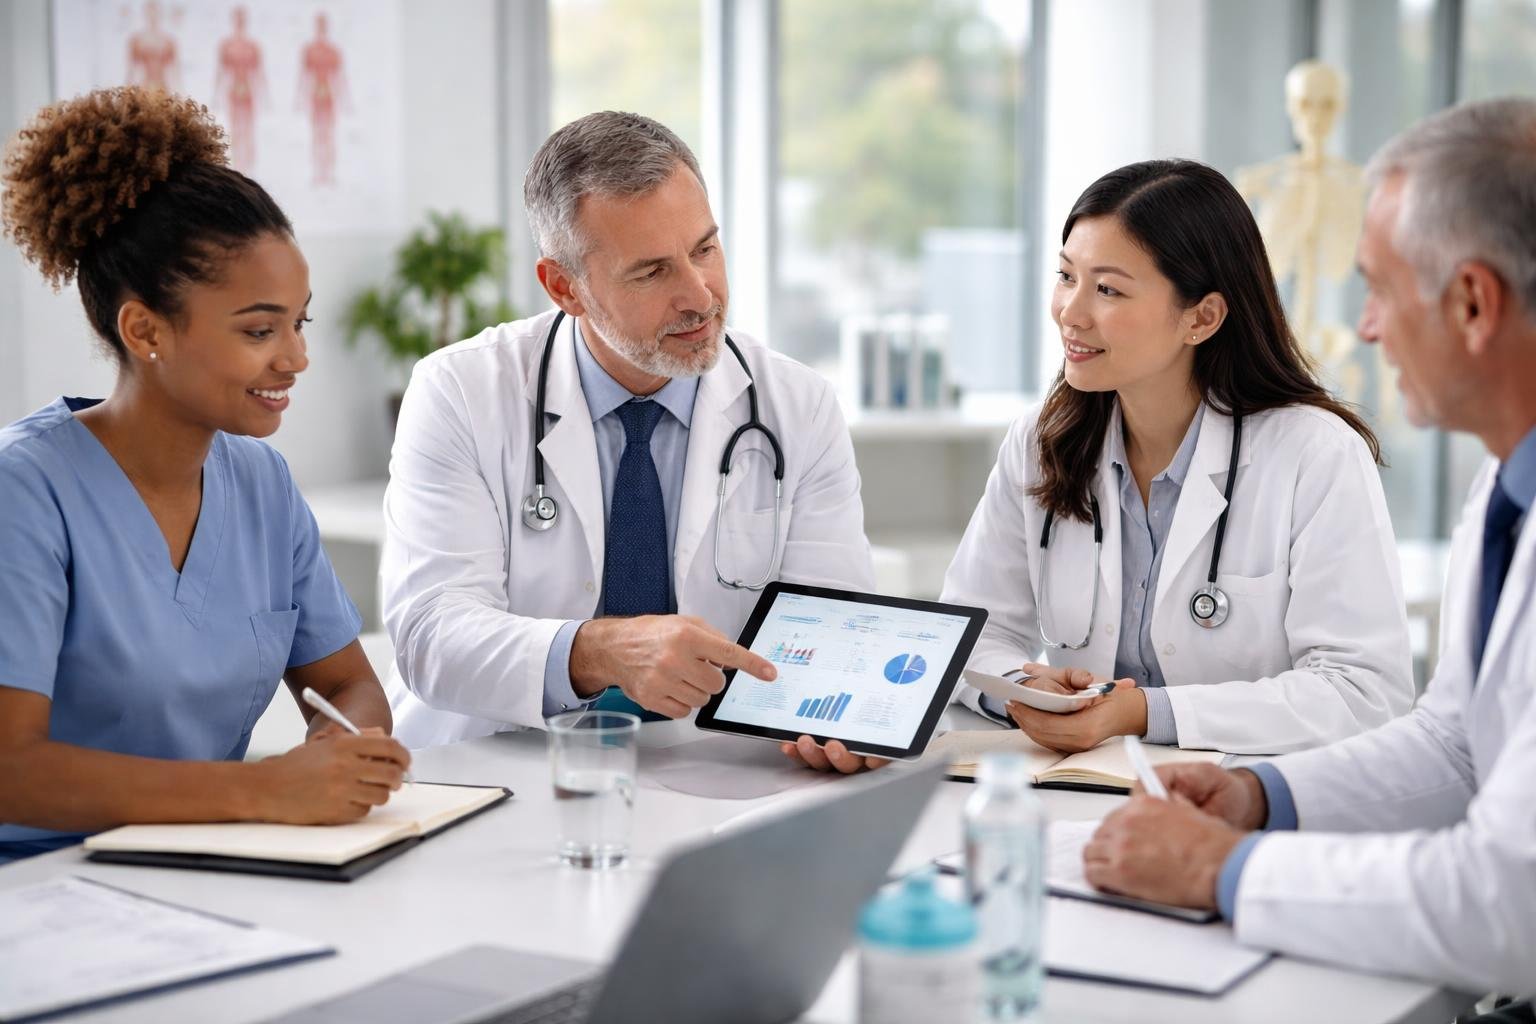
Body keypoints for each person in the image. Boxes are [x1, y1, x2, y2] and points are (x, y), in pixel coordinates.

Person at [1081, 99, 1536, 1005]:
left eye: (1380, 288)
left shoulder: (1318, 450)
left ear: (1474, 302)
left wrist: (1228, 873)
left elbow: (1512, 903)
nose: (1366, 328)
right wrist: (1261, 798)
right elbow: (1454, 748)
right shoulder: (1504, 487)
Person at [381, 111, 881, 773]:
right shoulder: (462, 391)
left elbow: (832, 629)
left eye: (705, 249)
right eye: (652, 273)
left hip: (713, 771)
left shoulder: (797, 405)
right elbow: (430, 634)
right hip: (498, 770)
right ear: (566, 287)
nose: (700, 295)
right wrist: (596, 653)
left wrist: (845, 715)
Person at [0, 87, 409, 863]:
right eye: (260, 329)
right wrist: (264, 792)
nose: (295, 358)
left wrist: (343, 754)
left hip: (208, 869)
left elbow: (350, 683)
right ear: (145, 329)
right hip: (34, 891)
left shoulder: (261, 485)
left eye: (299, 322)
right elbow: (7, 770)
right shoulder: (23, 492)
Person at [941, 159, 1413, 755]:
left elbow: (1363, 691)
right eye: (1067, 276)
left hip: (1248, 801)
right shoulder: (1043, 441)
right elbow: (964, 637)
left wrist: (1145, 712)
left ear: (1202, 316)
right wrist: (1023, 686)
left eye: (1108, 289)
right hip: (1079, 791)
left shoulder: (1313, 455)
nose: (1071, 311)